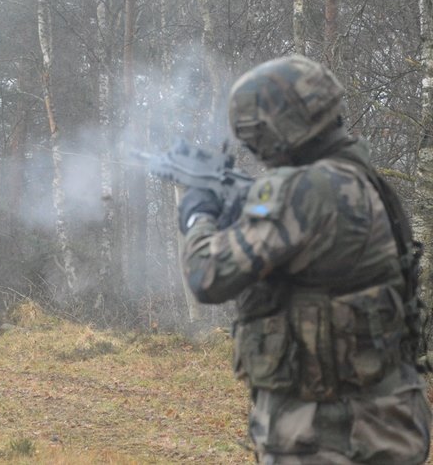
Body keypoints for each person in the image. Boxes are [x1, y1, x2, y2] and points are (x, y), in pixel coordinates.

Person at [178, 55, 432, 464]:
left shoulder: (307, 188)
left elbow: (207, 275)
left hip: (329, 435)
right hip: (384, 422)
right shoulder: (358, 176)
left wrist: (198, 216)